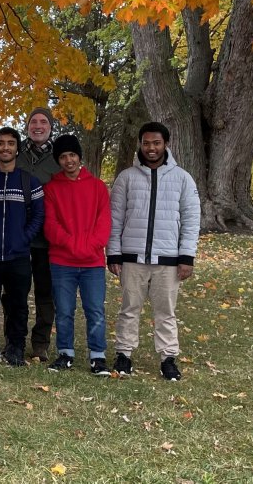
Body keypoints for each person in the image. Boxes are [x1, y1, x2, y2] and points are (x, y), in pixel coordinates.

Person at [107, 122, 201, 381]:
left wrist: (186, 257)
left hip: (168, 260)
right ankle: (124, 354)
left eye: (156, 143)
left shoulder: (182, 178)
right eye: (146, 143)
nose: (151, 148)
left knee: (166, 311)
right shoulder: (126, 177)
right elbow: (114, 219)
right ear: (140, 144)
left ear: (166, 144)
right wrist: (114, 253)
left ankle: (168, 358)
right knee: (129, 308)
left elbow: (191, 219)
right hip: (132, 257)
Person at [0, 128, 45, 367]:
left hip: (19, 255)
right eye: (0, 143)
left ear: (17, 148)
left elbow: (38, 215)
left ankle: (16, 346)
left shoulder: (28, 181)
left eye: (10, 143)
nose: (5, 148)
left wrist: (25, 237)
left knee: (18, 303)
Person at [42, 135, 112, 375]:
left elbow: (104, 225)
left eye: (72, 155)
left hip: (92, 263)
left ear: (79, 157)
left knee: (95, 310)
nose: (68, 160)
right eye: (63, 156)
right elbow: (51, 226)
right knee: (64, 310)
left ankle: (98, 356)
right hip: (62, 262)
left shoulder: (98, 187)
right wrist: (74, 246)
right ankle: (65, 353)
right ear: (58, 160)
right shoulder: (51, 189)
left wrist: (87, 247)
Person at [15, 107, 62, 361]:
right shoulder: (16, 154)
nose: (38, 126)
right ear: (27, 126)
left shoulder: (59, 158)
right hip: (19, 237)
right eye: (33, 121)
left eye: (43, 122)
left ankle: (41, 343)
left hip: (47, 239)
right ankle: (15, 338)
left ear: (50, 127)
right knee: (15, 292)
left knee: (46, 293)